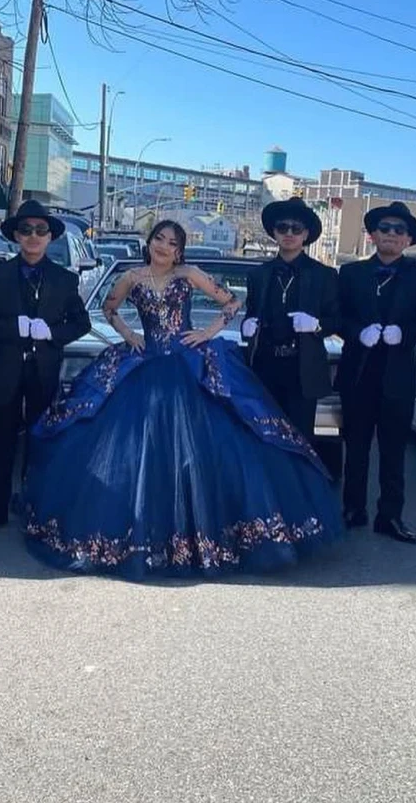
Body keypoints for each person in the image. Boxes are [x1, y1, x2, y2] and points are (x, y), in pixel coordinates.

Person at [21, 219, 342, 579]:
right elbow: (110, 310)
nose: (163, 246)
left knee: (210, 449)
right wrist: (128, 334)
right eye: (159, 238)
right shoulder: (132, 277)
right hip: (145, 363)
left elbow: (232, 302)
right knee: (134, 451)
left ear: (179, 250)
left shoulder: (189, 273)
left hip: (188, 364)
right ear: (150, 242)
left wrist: (206, 333)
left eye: (172, 242)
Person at [0, 200, 91, 533]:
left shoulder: (64, 279)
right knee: (1, 441)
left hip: (44, 369)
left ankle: (35, 503)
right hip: (4, 370)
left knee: (40, 438)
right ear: (16, 236)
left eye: (40, 230)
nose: (33, 236)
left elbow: (81, 323)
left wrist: (52, 332)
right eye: (26, 230)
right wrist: (13, 327)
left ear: (50, 237)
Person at [336, 202, 416, 543]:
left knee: (394, 451)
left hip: (398, 374)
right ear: (373, 234)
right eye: (385, 228)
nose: (391, 234)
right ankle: (353, 508)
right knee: (357, 447)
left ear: (408, 239)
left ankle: (390, 516)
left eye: (399, 230)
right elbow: (337, 315)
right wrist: (356, 332)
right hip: (358, 372)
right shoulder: (350, 274)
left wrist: (404, 334)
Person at [241, 196, 339, 442]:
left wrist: (316, 325)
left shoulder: (323, 275)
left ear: (305, 234)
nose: (289, 233)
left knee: (300, 440)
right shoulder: (258, 275)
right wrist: (247, 325)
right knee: (263, 438)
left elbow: (338, 319)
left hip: (302, 370)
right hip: (265, 367)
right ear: (274, 232)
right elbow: (252, 315)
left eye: (296, 229)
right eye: (283, 227)